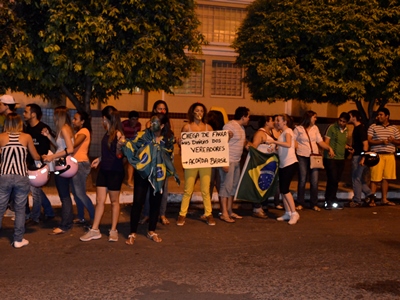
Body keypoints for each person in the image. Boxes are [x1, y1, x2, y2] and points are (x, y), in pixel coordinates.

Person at [125, 113, 178, 244]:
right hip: (143, 173)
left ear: (162, 125)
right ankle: (132, 232)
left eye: (155, 122)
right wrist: (123, 144)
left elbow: (169, 155)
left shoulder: (168, 139)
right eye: (151, 121)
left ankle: (151, 231)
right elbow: (131, 146)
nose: (151, 124)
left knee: (155, 202)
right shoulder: (143, 135)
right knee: (138, 201)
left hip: (159, 174)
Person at [80, 106, 125, 242]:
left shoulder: (118, 134)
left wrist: (122, 144)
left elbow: (119, 155)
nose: (101, 120)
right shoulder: (108, 133)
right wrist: (99, 159)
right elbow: (108, 151)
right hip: (104, 170)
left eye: (102, 118)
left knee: (114, 201)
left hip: (115, 171)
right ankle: (94, 230)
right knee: (99, 200)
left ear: (105, 118)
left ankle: (113, 230)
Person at [0, 113, 40, 248]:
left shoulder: (1, 137)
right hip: (21, 175)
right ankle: (18, 239)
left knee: (0, 206)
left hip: (4, 175)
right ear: (19, 124)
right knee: (20, 208)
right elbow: (35, 155)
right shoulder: (26, 137)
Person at [177, 103, 216, 226]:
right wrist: (180, 142)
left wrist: (227, 137)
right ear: (192, 112)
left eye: (201, 111)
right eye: (197, 110)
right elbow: (182, 146)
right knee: (188, 189)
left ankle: (208, 214)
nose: (199, 113)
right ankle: (182, 214)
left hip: (205, 162)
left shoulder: (208, 128)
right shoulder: (186, 127)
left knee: (205, 189)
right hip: (191, 163)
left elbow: (215, 144)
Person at [42, 106, 75, 235]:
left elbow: (70, 149)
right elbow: (61, 147)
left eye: (55, 116)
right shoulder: (64, 129)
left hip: (63, 165)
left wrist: (52, 157)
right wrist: (49, 136)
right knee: (65, 195)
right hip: (63, 164)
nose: (53, 118)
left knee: (64, 196)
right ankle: (67, 222)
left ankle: (65, 225)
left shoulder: (65, 129)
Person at [293, 110, 335, 211]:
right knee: (302, 180)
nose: (316, 119)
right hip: (302, 155)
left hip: (314, 156)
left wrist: (329, 148)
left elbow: (320, 141)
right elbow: (293, 141)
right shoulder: (298, 129)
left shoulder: (315, 128)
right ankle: (300, 202)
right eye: (314, 117)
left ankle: (314, 203)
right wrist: (295, 149)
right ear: (309, 118)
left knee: (314, 180)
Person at [141, 100, 172, 225]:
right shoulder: (150, 123)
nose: (162, 111)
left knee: (163, 191)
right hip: (151, 162)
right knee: (149, 191)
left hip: (163, 162)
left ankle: (162, 214)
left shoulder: (169, 124)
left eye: (164, 108)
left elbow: (170, 140)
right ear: (154, 110)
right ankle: (147, 214)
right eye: (159, 108)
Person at [23, 104, 55, 225]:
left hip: (39, 165)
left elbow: (46, 148)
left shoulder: (43, 128)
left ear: (33, 114)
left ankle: (35, 217)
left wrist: (39, 160)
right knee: (36, 190)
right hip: (30, 163)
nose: (24, 114)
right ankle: (49, 211)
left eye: (26, 112)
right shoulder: (28, 129)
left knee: (35, 191)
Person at [218, 106, 251, 223]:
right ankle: (224, 213)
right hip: (229, 160)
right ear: (243, 117)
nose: (249, 119)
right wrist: (223, 162)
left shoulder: (241, 127)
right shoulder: (229, 126)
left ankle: (230, 210)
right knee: (225, 186)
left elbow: (243, 142)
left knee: (233, 187)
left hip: (236, 161)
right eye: (248, 117)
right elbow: (221, 144)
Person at [269, 114, 300, 225]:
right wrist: (274, 150)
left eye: (278, 120)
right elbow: (283, 149)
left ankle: (294, 213)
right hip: (283, 164)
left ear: (285, 122)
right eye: (276, 120)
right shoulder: (283, 133)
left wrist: (274, 142)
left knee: (285, 190)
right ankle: (287, 212)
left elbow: (287, 144)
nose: (276, 122)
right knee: (283, 190)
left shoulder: (288, 131)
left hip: (290, 163)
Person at [367, 107, 400, 206]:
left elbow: (399, 141)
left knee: (387, 178)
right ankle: (372, 200)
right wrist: (381, 142)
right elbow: (369, 140)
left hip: (389, 155)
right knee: (375, 178)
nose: (379, 117)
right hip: (377, 155)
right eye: (378, 115)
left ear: (387, 116)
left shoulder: (394, 128)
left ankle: (384, 199)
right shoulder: (373, 126)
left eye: (381, 115)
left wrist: (393, 141)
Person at [250, 115, 278, 219]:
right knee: (260, 185)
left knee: (266, 186)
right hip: (261, 164)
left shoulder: (270, 133)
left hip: (269, 164)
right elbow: (254, 147)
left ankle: (262, 205)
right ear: (266, 122)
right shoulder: (260, 133)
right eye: (272, 121)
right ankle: (257, 208)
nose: (274, 122)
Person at [71, 111, 95, 225]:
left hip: (80, 164)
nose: (73, 121)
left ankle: (94, 216)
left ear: (82, 121)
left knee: (80, 193)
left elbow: (73, 145)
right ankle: (81, 217)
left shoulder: (84, 131)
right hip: (76, 163)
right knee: (76, 193)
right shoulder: (80, 131)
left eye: (76, 119)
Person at [323, 112, 351, 210]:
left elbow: (342, 143)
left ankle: (333, 199)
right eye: (340, 120)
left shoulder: (346, 130)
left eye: (344, 121)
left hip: (341, 158)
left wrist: (348, 147)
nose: (341, 123)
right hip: (331, 158)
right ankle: (328, 200)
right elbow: (326, 142)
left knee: (336, 180)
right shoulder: (332, 128)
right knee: (332, 179)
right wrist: (329, 149)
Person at [348, 110, 375, 207]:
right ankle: (369, 194)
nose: (348, 118)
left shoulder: (360, 129)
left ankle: (357, 200)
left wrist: (363, 157)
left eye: (349, 116)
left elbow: (365, 144)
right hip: (357, 154)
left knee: (356, 178)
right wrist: (354, 150)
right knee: (358, 178)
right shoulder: (357, 128)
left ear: (354, 117)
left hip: (359, 157)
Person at [207, 109, 226, 214]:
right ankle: (222, 209)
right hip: (217, 161)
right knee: (219, 185)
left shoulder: (209, 131)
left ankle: (208, 209)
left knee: (210, 185)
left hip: (211, 162)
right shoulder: (221, 132)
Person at [122, 110, 141, 188]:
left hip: (132, 146)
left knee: (131, 161)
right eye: (133, 119)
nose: (135, 121)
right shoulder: (123, 124)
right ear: (129, 119)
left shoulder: (138, 125)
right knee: (123, 161)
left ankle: (129, 180)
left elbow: (137, 137)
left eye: (136, 119)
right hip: (123, 145)